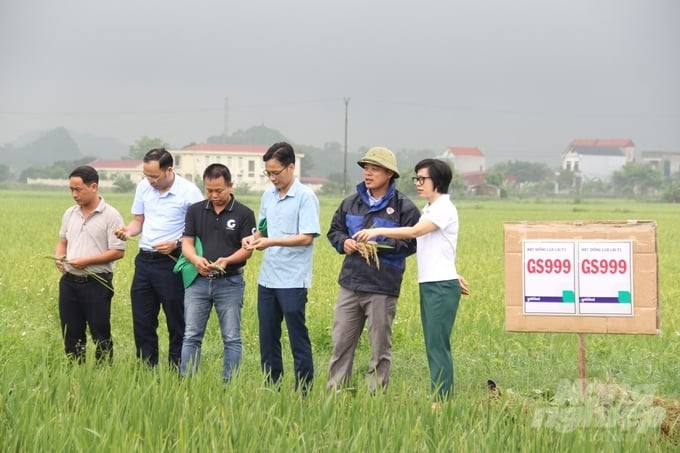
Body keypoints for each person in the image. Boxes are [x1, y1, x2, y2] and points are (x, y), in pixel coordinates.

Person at [353, 158, 465, 402]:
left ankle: (442, 400)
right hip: (435, 283)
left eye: (422, 179)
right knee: (433, 343)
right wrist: (454, 274)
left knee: (437, 346)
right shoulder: (430, 208)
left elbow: (414, 232)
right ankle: (440, 396)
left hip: (439, 287)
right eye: (416, 179)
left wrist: (376, 230)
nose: (418, 183)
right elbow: (441, 248)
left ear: (438, 181)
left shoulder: (444, 208)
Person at [326, 146, 420, 393]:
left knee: (380, 349)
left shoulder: (404, 208)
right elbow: (334, 231)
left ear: (389, 173)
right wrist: (343, 242)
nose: (368, 173)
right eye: (366, 168)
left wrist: (381, 245)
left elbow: (413, 242)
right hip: (350, 284)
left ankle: (373, 397)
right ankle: (335, 394)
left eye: (374, 168)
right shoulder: (350, 203)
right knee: (340, 344)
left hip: (382, 287)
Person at [242, 142, 320, 393]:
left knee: (297, 336)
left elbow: (307, 236)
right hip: (268, 278)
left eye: (276, 172)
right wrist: (253, 238)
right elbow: (263, 228)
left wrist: (271, 241)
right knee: (267, 336)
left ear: (291, 167)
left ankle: (304, 390)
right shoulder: (268, 196)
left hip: (293, 280)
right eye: (269, 173)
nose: (273, 178)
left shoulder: (305, 197)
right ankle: (270, 385)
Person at [114, 148, 203, 368]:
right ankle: (147, 368)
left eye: (155, 176)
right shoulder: (143, 187)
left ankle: (178, 370)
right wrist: (128, 231)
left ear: (169, 170)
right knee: (143, 319)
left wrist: (177, 244)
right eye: (147, 175)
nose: (150, 180)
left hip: (172, 263)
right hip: (144, 261)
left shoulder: (189, 192)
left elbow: (201, 230)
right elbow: (138, 221)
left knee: (176, 320)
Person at [178, 163, 256, 382]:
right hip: (198, 282)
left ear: (230, 186)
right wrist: (195, 260)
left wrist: (227, 260)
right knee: (191, 336)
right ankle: (187, 383)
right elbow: (187, 243)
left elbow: (246, 251)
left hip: (229, 282)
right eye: (209, 190)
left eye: (219, 190)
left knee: (231, 338)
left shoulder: (244, 214)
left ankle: (229, 385)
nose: (214, 195)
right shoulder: (195, 210)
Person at [54, 165, 126, 363]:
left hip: (97, 281)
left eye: (78, 189)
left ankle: (103, 373)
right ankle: (75, 370)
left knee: (100, 331)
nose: (74, 194)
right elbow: (62, 242)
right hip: (69, 281)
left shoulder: (111, 215)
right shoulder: (70, 213)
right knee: (71, 332)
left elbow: (118, 251)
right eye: (71, 189)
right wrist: (60, 257)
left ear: (93, 187)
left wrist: (86, 261)